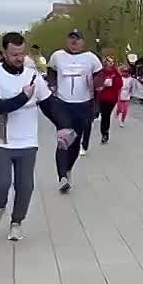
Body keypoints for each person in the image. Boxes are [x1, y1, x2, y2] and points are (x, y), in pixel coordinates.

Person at [0, 32, 76, 241]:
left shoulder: (33, 76)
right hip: (0, 139)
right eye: (14, 54)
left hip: (27, 140)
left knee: (25, 186)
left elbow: (49, 105)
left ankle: (16, 222)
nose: (19, 58)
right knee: (1, 184)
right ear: (4, 53)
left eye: (21, 53)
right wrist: (22, 97)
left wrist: (63, 126)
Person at [47, 29, 102, 193]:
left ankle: (68, 169)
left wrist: (96, 84)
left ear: (82, 42)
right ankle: (62, 177)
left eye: (77, 39)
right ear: (67, 41)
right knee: (64, 139)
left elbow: (99, 77)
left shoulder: (91, 58)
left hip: (83, 105)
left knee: (75, 142)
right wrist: (52, 85)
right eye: (71, 39)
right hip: (63, 105)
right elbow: (51, 71)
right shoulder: (58, 56)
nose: (74, 42)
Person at [95, 55, 123, 144]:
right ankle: (104, 133)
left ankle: (105, 132)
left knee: (107, 114)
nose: (110, 63)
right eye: (109, 61)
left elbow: (120, 84)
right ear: (105, 62)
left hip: (112, 97)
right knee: (104, 115)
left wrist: (113, 82)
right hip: (102, 96)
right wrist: (102, 84)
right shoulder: (102, 72)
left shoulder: (115, 72)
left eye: (112, 61)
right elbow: (96, 82)